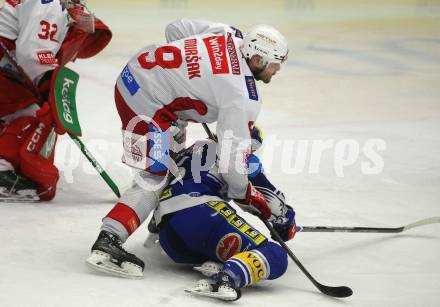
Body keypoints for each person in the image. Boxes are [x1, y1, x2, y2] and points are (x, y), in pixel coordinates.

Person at [87, 18, 289, 276]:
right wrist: (245, 193)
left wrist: (192, 76)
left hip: (133, 77)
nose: (277, 70)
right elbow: (231, 161)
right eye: (274, 64)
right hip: (147, 105)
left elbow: (175, 29)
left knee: (176, 162)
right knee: (154, 177)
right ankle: (108, 241)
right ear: (257, 60)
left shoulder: (228, 33)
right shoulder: (241, 94)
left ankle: (159, 224)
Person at [88, 126, 297, 301]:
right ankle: (229, 278)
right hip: (201, 214)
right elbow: (270, 201)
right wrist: (286, 221)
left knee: (230, 239)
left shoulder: (192, 149)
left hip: (171, 237)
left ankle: (224, 263)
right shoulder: (239, 155)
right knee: (276, 255)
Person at [0, 0, 111, 201]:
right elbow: (32, 55)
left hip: (6, 71)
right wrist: (49, 88)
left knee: (27, 105)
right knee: (36, 113)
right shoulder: (50, 5)